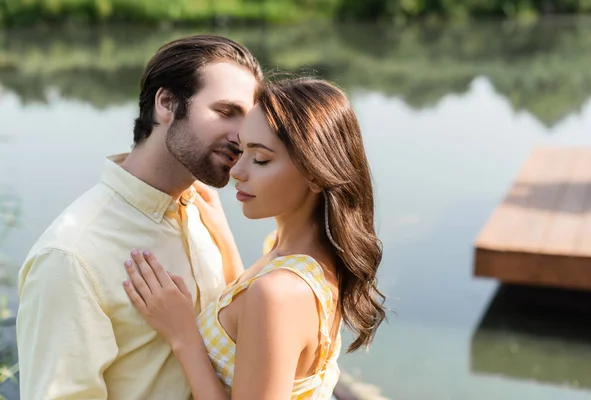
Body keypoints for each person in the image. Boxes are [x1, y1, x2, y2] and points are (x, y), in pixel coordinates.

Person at [16, 34, 263, 400]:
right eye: (226, 113)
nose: (241, 137)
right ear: (167, 103)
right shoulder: (71, 256)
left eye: (249, 120)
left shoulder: (202, 213)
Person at [122, 77, 387, 399]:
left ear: (316, 174)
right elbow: (248, 316)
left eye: (261, 159)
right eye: (241, 149)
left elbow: (263, 306)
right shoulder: (297, 252)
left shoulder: (279, 291)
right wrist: (222, 234)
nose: (237, 171)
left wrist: (183, 336)